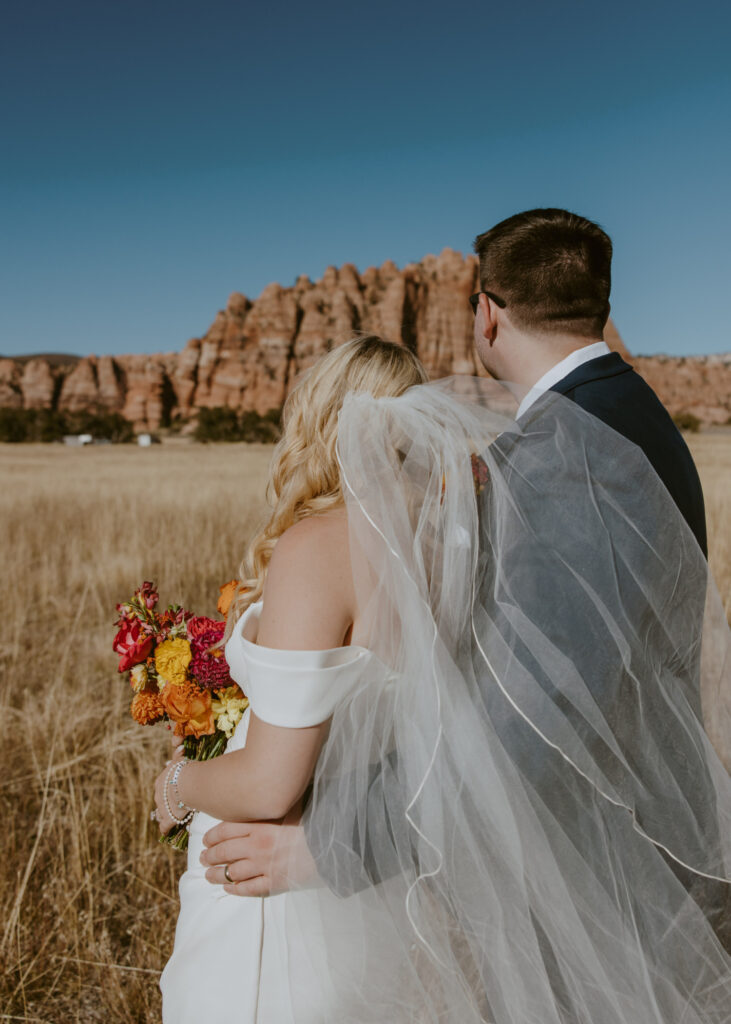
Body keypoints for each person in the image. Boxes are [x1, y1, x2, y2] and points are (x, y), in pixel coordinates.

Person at [202, 207, 714, 895]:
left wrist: (331, 848)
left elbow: (536, 712)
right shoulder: (632, 415)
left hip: (591, 856)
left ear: (486, 314)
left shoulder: (559, 459)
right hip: (633, 812)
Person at [157, 335, 429, 1023]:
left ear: (318, 418)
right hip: (361, 869)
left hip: (268, 880)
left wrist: (177, 783)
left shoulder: (320, 547)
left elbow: (272, 783)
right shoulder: (441, 543)